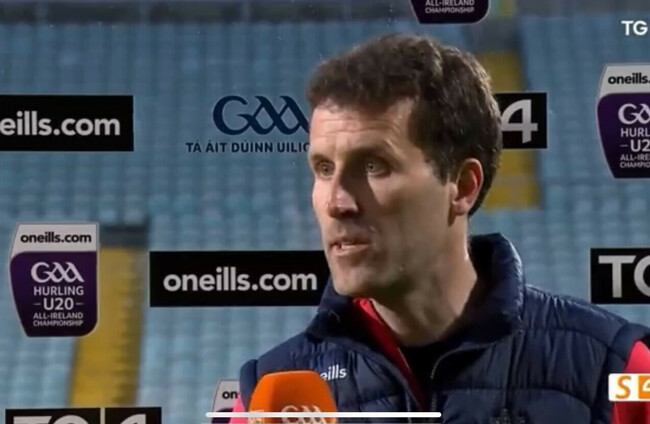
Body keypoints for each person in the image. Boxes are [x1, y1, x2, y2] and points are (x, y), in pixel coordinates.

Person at [227, 33, 650, 423]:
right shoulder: (266, 400)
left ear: (462, 186)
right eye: (323, 168)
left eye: (373, 166)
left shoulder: (617, 371)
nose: (337, 202)